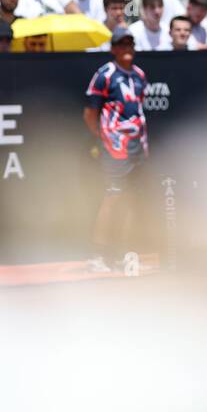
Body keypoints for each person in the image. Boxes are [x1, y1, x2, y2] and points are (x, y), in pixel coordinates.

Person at [83, 26, 149, 274]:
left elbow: (140, 112)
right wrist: (104, 138)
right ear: (113, 49)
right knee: (112, 198)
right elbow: (90, 113)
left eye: (130, 43)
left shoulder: (140, 76)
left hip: (136, 148)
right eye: (122, 44)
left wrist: (143, 144)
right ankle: (97, 255)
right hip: (115, 149)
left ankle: (123, 253)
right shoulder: (104, 75)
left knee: (131, 199)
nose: (127, 48)